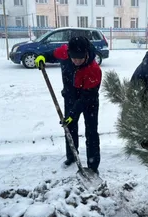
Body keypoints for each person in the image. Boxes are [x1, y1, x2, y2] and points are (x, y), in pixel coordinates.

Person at [35, 36, 102, 174]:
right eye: (74, 58)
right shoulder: (65, 52)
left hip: (89, 101)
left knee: (91, 131)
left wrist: (73, 113)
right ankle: (72, 156)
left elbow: (87, 97)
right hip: (70, 97)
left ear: (86, 54)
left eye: (80, 58)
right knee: (69, 127)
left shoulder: (93, 69)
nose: (76, 61)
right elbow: (51, 54)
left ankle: (93, 165)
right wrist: (41, 57)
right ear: (69, 53)